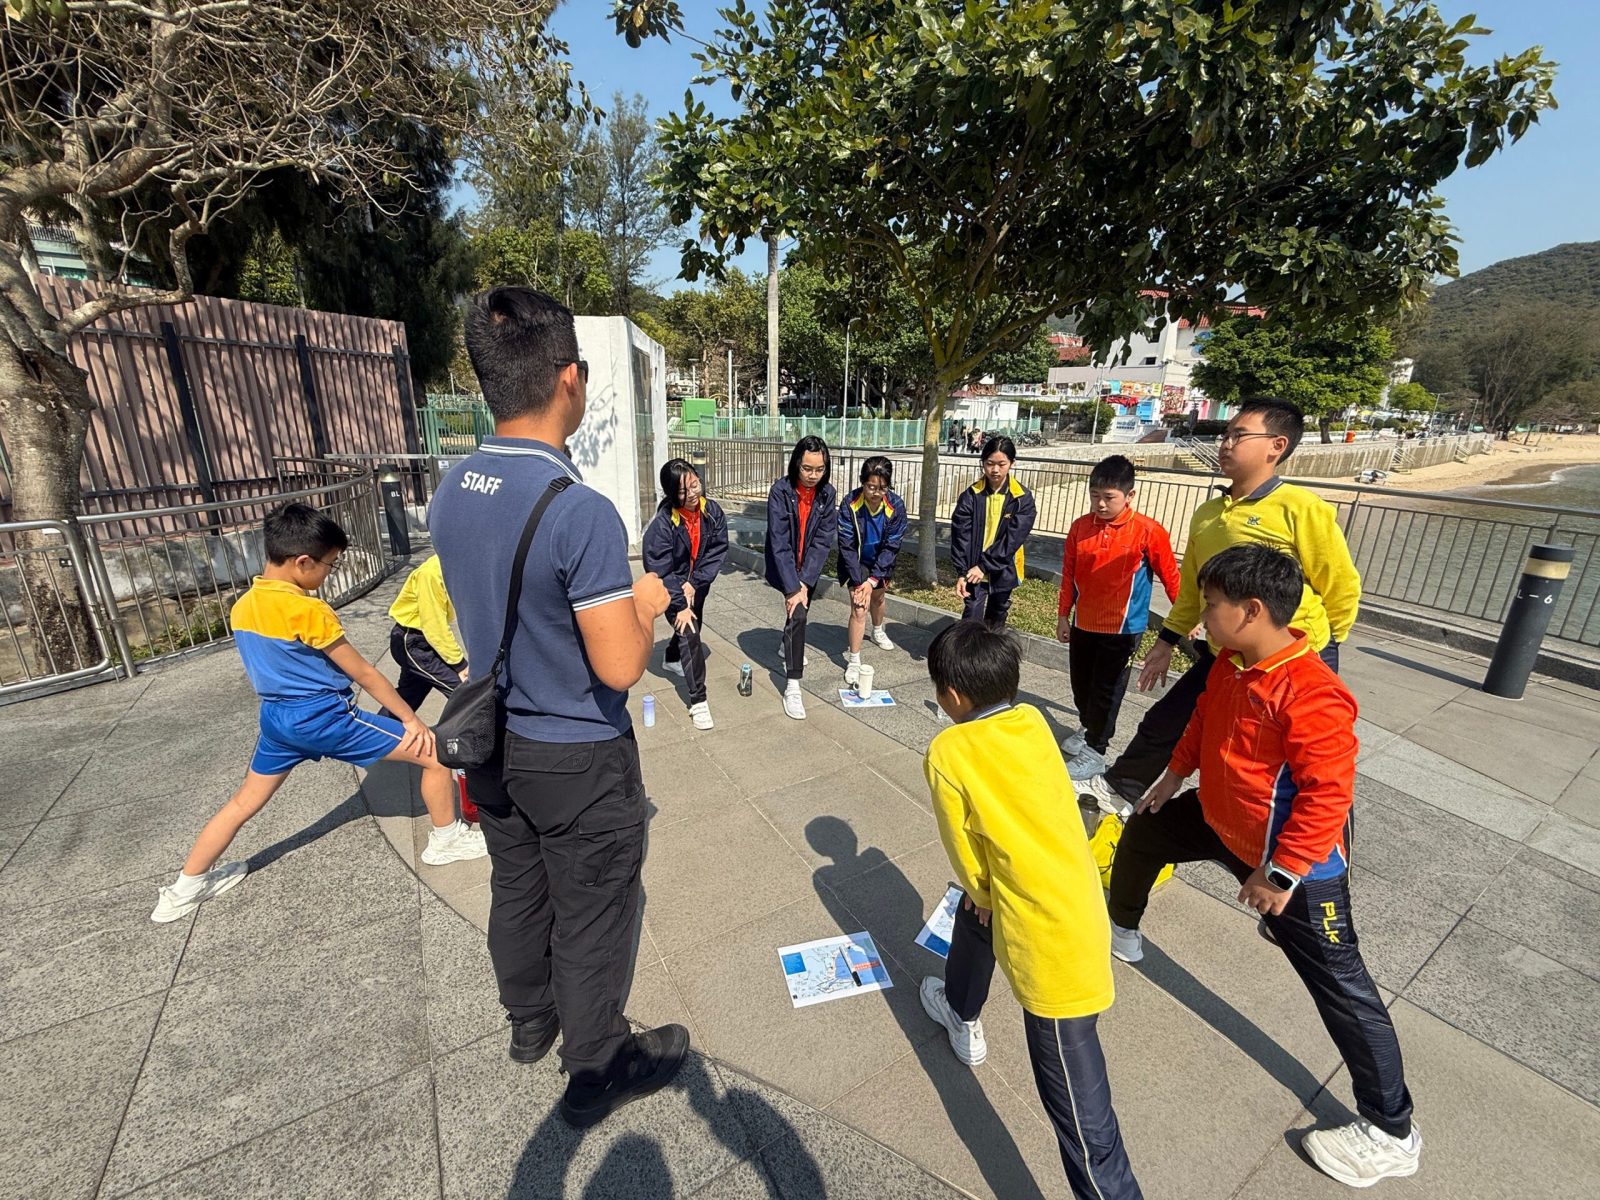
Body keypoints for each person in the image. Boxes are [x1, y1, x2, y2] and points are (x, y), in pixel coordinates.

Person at [429, 286, 686, 1130]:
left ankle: (530, 1023)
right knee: (592, 910)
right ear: (568, 378)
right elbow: (618, 666)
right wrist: (645, 601)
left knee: (518, 887)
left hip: (492, 741)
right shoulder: (579, 511)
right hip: (576, 754)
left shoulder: (452, 487)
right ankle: (597, 1066)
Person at [1107, 544, 1420, 1189]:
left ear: (1251, 610)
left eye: (1211, 606)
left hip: (1292, 863)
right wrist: (1173, 776)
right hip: (1219, 820)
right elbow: (1203, 722)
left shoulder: (1313, 693)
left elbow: (1328, 798)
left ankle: (1392, 1130)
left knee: (1342, 987)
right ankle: (1122, 926)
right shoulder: (1230, 661)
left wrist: (1279, 875)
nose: (1200, 616)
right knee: (1143, 832)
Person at [151, 504, 486, 924]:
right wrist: (411, 720)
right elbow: (364, 673)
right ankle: (446, 841)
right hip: (325, 718)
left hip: (277, 720)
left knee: (243, 801)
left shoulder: (244, 605)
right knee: (435, 754)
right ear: (303, 562)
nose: (329, 573)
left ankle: (185, 889)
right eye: (330, 564)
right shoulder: (308, 610)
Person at [918, 620, 1143, 1200]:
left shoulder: (948, 751)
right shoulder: (1033, 721)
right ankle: (960, 1009)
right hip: (1076, 895)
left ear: (953, 696)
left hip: (1051, 942)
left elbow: (964, 849)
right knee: (972, 919)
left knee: (1083, 1120)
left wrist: (982, 892)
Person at [1083, 397, 1360, 818]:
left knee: (1278, 755)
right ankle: (1119, 788)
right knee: (1167, 720)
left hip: (1290, 658)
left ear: (1277, 446)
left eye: (1239, 435)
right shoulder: (1208, 514)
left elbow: (1340, 587)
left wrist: (1324, 650)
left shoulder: (1301, 509)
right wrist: (1166, 641)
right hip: (1224, 653)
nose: (1225, 443)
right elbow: (1193, 593)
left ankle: (1287, 836)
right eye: (1226, 434)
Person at [1056, 455, 1180, 780]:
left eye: (1108, 497)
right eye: (1094, 495)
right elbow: (1068, 574)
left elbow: (1171, 578)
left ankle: (1096, 751)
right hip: (1084, 623)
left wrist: (1185, 619)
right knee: (1081, 686)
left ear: (1129, 495)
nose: (1100, 503)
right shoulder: (1080, 527)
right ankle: (1088, 728)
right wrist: (1063, 615)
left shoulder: (1148, 531)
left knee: (1107, 691)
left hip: (1122, 629)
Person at [641, 458, 729, 730]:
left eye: (694, 485)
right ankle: (698, 700)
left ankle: (670, 658)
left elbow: (717, 550)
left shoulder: (711, 511)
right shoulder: (663, 524)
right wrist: (679, 602)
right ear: (671, 493)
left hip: (697, 586)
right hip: (672, 588)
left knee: (692, 625)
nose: (692, 494)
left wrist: (696, 583)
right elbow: (659, 567)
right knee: (689, 631)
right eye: (682, 491)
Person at [764, 435, 838, 720]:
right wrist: (794, 587)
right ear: (796, 464)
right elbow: (779, 541)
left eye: (819, 469)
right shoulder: (780, 491)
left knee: (799, 610)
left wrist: (805, 582)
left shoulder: (827, 494)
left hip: (809, 566)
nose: (813, 475)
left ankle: (788, 645)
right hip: (785, 563)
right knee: (798, 613)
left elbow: (822, 540)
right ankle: (793, 684)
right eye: (807, 468)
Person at [949, 435, 1036, 629]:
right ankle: (968, 649)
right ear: (982, 463)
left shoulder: (1022, 499)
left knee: (996, 619)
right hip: (973, 569)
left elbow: (1012, 540)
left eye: (1001, 464)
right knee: (971, 619)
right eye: (989, 464)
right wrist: (963, 572)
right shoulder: (970, 495)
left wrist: (985, 566)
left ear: (1012, 463)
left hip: (1004, 568)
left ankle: (991, 648)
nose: (995, 470)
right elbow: (960, 537)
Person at [837, 455, 908, 687]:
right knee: (859, 607)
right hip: (856, 561)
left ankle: (877, 630)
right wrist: (860, 583)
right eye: (871, 487)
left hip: (881, 560)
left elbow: (892, 546)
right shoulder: (850, 503)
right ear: (862, 482)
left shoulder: (896, 506)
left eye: (882, 488)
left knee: (877, 598)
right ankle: (854, 660)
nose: (876, 493)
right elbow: (846, 545)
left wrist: (873, 580)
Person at [379, 552, 467, 719]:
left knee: (409, 695)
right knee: (465, 694)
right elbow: (434, 626)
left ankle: (379, 730)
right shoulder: (430, 573)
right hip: (413, 643)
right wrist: (460, 664)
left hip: (421, 642)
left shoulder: (453, 565)